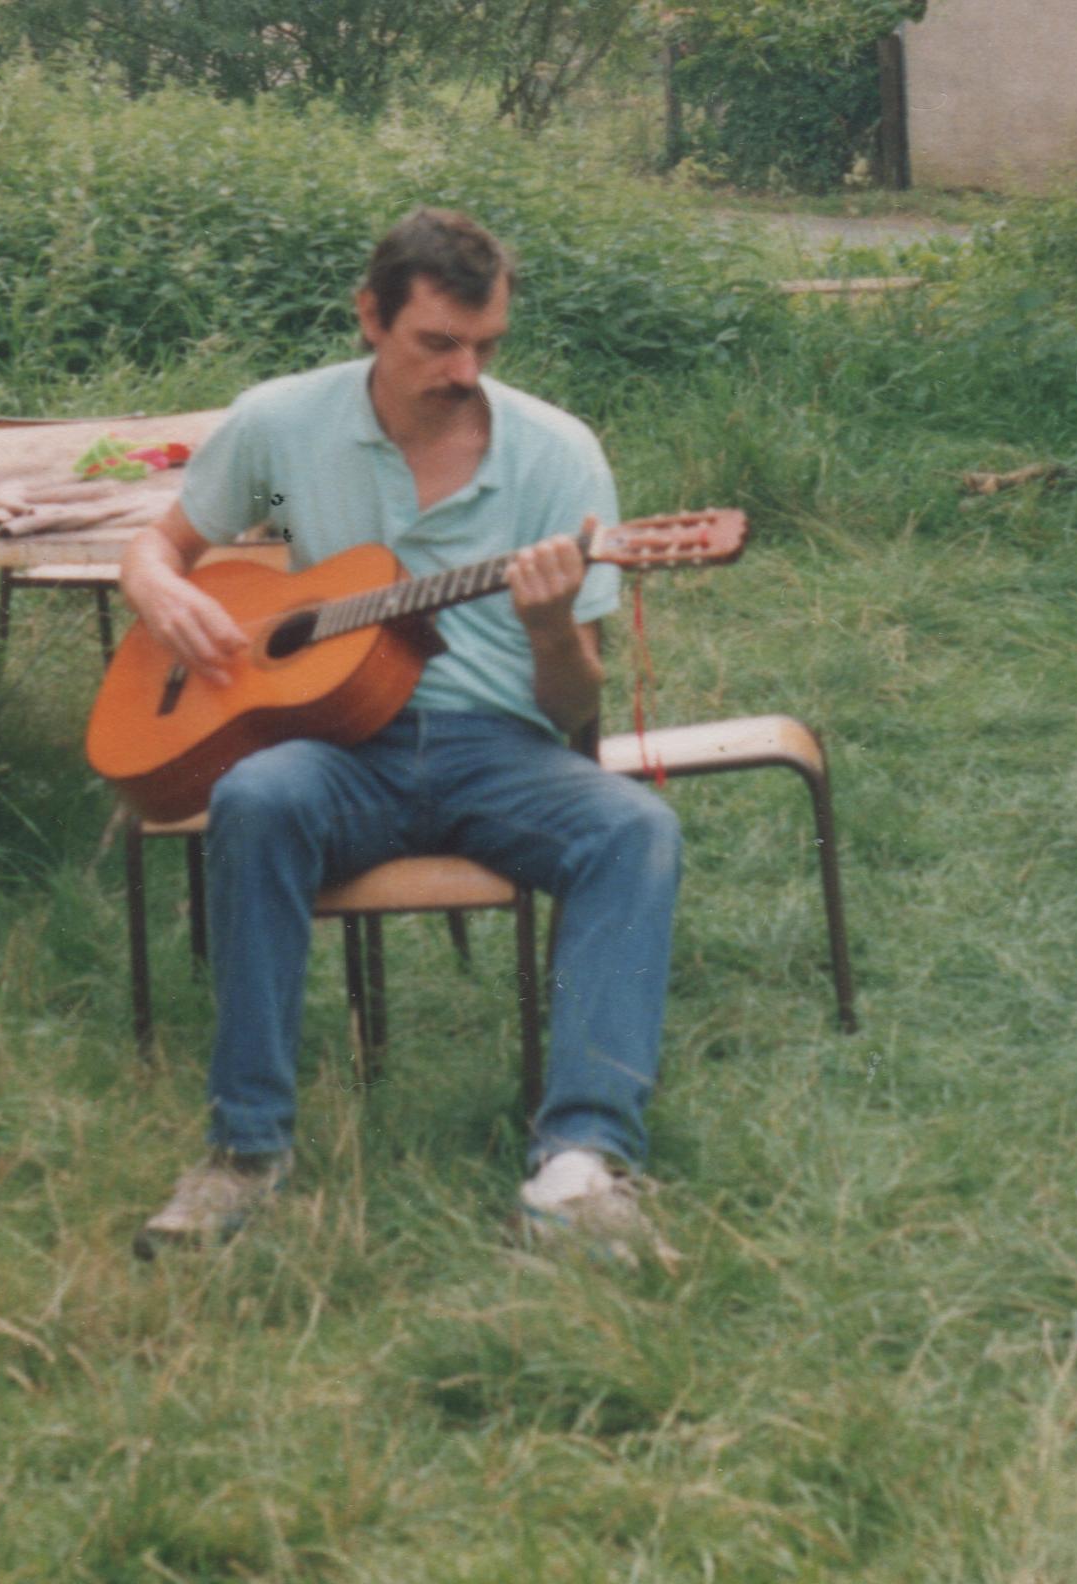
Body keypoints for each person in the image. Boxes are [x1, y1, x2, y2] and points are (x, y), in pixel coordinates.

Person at [121, 207, 682, 1266]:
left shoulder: (557, 454)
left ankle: (579, 1165)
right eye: (438, 343)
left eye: (487, 346)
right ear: (370, 319)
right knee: (254, 797)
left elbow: (573, 706)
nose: (464, 372)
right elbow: (162, 543)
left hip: (498, 748)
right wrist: (157, 590)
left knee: (634, 830)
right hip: (338, 745)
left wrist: (549, 625)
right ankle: (244, 1154)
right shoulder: (281, 423)